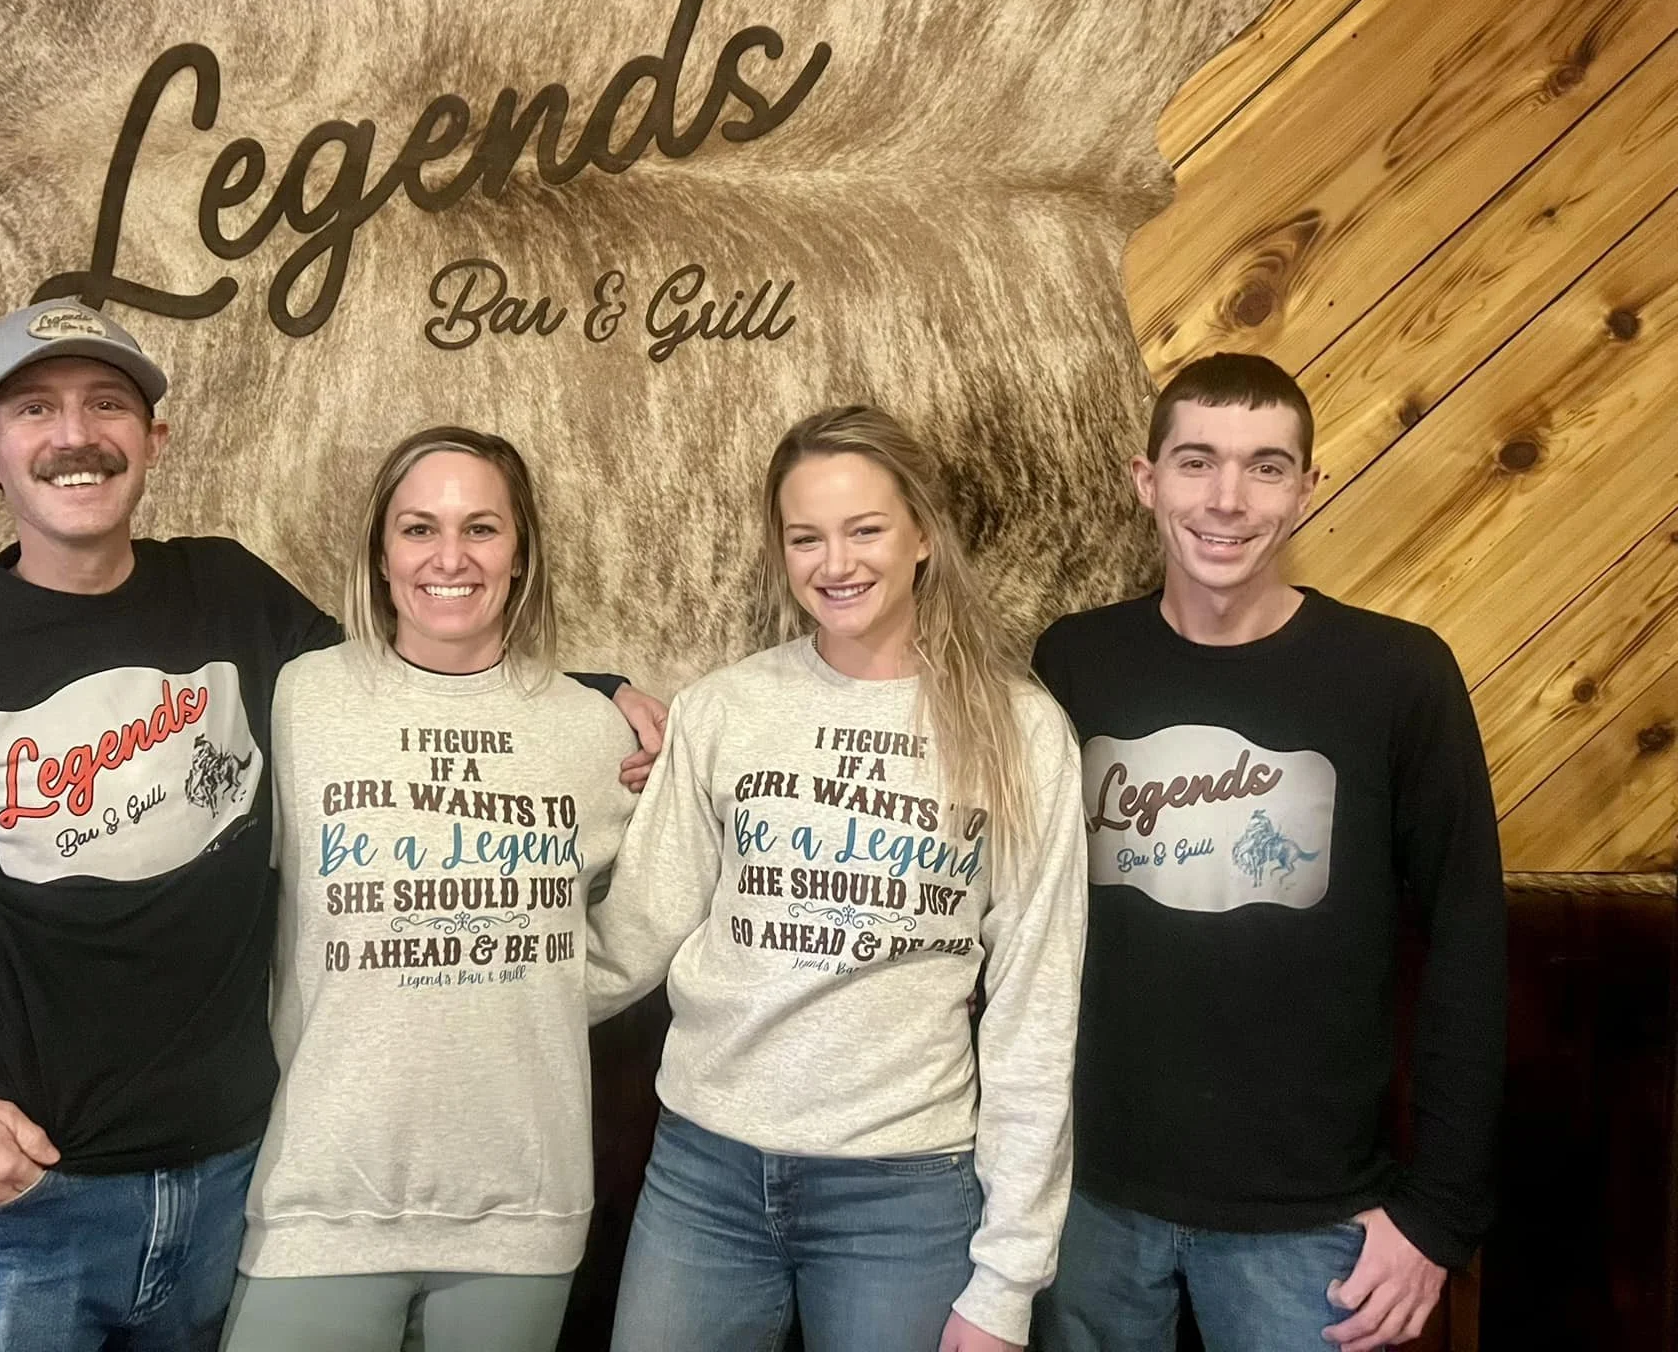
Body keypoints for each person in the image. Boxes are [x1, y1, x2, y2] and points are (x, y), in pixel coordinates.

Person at [0, 300, 662, 1352]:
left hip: (235, 1187)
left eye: (108, 403)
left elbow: (413, 682)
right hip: (21, 1205)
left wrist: (595, 698)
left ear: (154, 440)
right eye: (33, 408)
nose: (74, 433)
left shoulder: (231, 595)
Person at [1028, 352, 1507, 1352]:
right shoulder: (1072, 661)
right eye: (1196, 461)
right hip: (1088, 1197)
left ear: (1305, 489)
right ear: (1143, 478)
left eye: (1265, 467)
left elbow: (1466, 946)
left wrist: (1437, 1218)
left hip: (1312, 1216)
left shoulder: (1395, 675)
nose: (1227, 499)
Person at [586, 404, 1088, 1352]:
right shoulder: (725, 708)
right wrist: (465, 996)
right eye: (806, 536)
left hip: (902, 1197)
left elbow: (1036, 1006)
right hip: (705, 1176)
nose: (837, 562)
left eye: (866, 529)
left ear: (924, 535)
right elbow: (629, 941)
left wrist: (1008, 1280)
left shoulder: (1021, 733)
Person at [215, 426, 640, 1351]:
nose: (450, 558)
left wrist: (551, 979)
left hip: (521, 1206)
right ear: (380, 550)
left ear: (520, 553)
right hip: (320, 1198)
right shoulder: (298, 701)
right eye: (419, 529)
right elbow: (186, 854)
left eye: (482, 529)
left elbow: (657, 905)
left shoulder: (591, 729)